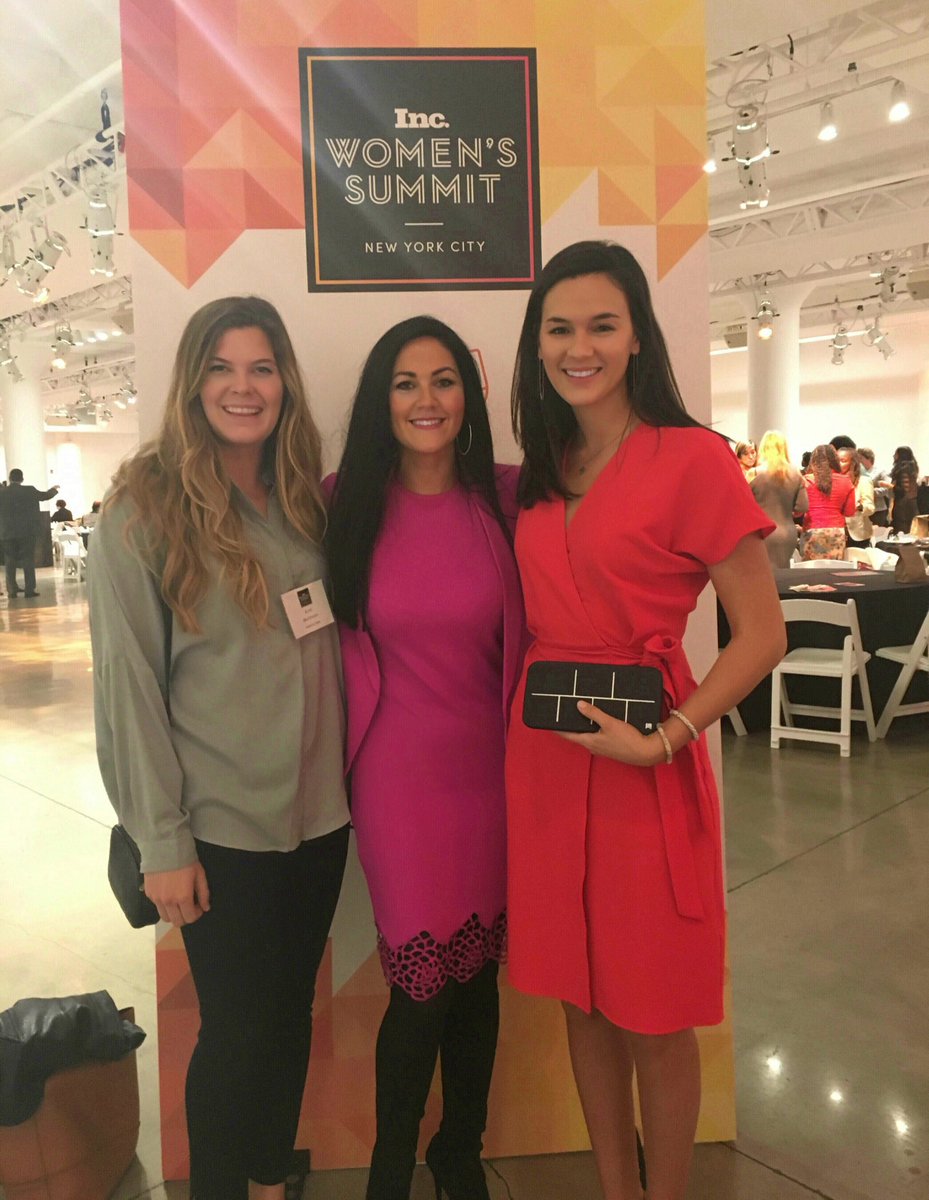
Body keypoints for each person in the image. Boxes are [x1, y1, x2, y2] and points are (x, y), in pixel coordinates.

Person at [506, 241, 785, 1200]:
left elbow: (761, 634)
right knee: (580, 1001)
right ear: (536, 345)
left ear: (635, 338)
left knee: (653, 1013)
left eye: (601, 325)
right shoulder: (546, 465)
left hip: (642, 761)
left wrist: (669, 737)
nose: (577, 347)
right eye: (558, 329)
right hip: (547, 760)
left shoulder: (691, 458)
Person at [87, 296, 350, 1200]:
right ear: (192, 384)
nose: (244, 387)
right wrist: (161, 843)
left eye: (261, 368)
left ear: (285, 383)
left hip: (319, 819)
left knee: (287, 1016)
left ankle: (271, 1181)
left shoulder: (301, 499)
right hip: (219, 829)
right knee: (235, 1033)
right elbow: (128, 691)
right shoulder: (142, 513)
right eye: (221, 368)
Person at [324, 316, 524, 1200]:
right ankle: (388, 1172)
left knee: (476, 983)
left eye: (443, 380)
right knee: (419, 989)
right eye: (404, 382)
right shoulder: (340, 503)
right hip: (394, 784)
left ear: (467, 397)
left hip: (492, 778)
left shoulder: (506, 500)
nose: (426, 399)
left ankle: (458, 1151)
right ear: (381, 400)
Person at [751, 430, 808, 567]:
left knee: (762, 571)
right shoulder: (795, 473)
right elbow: (803, 506)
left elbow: (743, 505)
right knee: (783, 571)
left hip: (761, 532)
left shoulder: (754, 473)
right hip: (787, 532)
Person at [0, 467, 59, 598]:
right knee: (28, 560)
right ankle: (29, 589)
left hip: (7, 532)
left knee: (10, 561)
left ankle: (12, 590)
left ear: (10, 478)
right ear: (22, 478)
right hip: (27, 531)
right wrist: (54, 489)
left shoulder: (2, 493)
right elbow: (44, 496)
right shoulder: (29, 490)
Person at [801, 443, 856, 559]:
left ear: (813, 460)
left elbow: (799, 509)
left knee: (810, 568)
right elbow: (850, 512)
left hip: (812, 529)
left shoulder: (806, 481)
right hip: (836, 531)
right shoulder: (846, 481)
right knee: (834, 568)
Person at [835, 446, 875, 548]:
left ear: (853, 463)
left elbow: (870, 507)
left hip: (858, 534)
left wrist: (860, 506)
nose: (838, 464)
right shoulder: (834, 481)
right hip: (837, 532)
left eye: (843, 461)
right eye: (836, 460)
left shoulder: (864, 481)